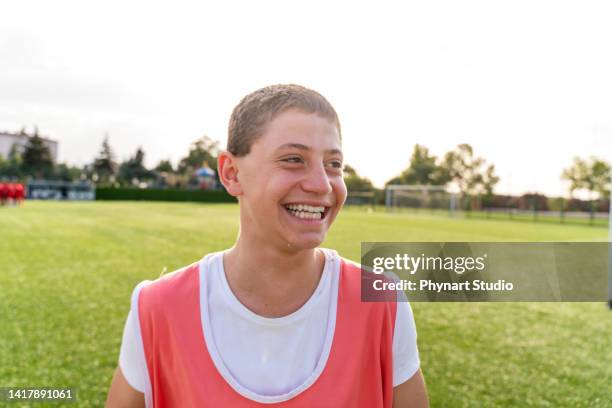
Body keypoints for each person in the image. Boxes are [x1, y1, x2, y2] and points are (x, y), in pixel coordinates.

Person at [106, 84, 428, 407]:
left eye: (334, 164)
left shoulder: (382, 302)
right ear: (231, 173)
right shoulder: (157, 308)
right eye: (293, 159)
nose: (321, 184)